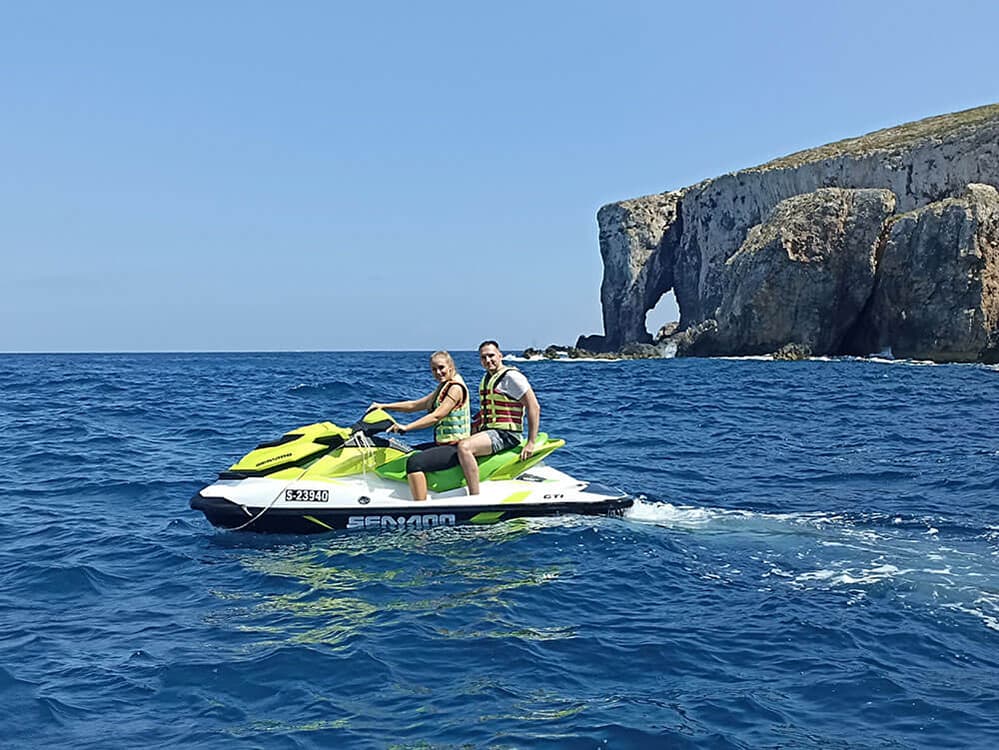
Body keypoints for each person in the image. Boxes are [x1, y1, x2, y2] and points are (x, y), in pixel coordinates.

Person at [369, 351, 470, 501]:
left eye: (441, 367)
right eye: (434, 369)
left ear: (450, 366)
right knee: (405, 452)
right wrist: (384, 406)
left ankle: (421, 505)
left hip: (455, 447)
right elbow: (414, 405)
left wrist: (406, 427)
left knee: (415, 462)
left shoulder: (455, 388)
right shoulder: (443, 387)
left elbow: (437, 416)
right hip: (442, 443)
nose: (438, 372)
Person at [456, 340, 540, 495]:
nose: (488, 360)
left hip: (507, 434)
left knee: (464, 447)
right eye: (483, 358)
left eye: (491, 356)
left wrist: (531, 442)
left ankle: (474, 496)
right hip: (490, 430)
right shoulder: (487, 378)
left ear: (500, 356)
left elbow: (533, 406)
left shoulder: (512, 377)